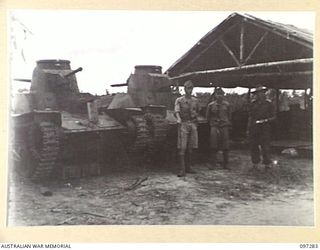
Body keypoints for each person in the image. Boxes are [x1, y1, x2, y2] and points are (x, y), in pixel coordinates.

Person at [174, 80, 200, 177]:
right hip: (183, 123)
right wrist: (179, 119)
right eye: (187, 88)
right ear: (184, 89)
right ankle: (182, 169)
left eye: (191, 88)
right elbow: (176, 111)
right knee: (182, 147)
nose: (189, 90)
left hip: (192, 124)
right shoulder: (179, 100)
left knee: (191, 147)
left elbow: (198, 110)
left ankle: (189, 167)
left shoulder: (195, 100)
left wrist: (195, 118)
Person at [247, 84, 276, 169]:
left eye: (262, 93)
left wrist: (265, 120)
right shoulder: (253, 104)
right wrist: (248, 128)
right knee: (254, 145)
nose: (260, 95)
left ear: (265, 93)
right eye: (258, 93)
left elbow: (274, 117)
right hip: (254, 127)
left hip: (265, 127)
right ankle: (255, 163)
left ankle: (267, 163)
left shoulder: (269, 104)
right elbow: (250, 116)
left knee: (265, 146)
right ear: (256, 94)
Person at [206, 87, 232, 170]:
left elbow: (229, 116)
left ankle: (226, 163)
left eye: (221, 94)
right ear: (215, 95)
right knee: (213, 145)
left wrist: (227, 123)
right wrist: (213, 123)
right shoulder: (210, 105)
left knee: (225, 146)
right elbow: (208, 117)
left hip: (224, 126)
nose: (219, 96)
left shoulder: (227, 105)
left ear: (223, 95)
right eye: (218, 94)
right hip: (214, 126)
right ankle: (212, 163)